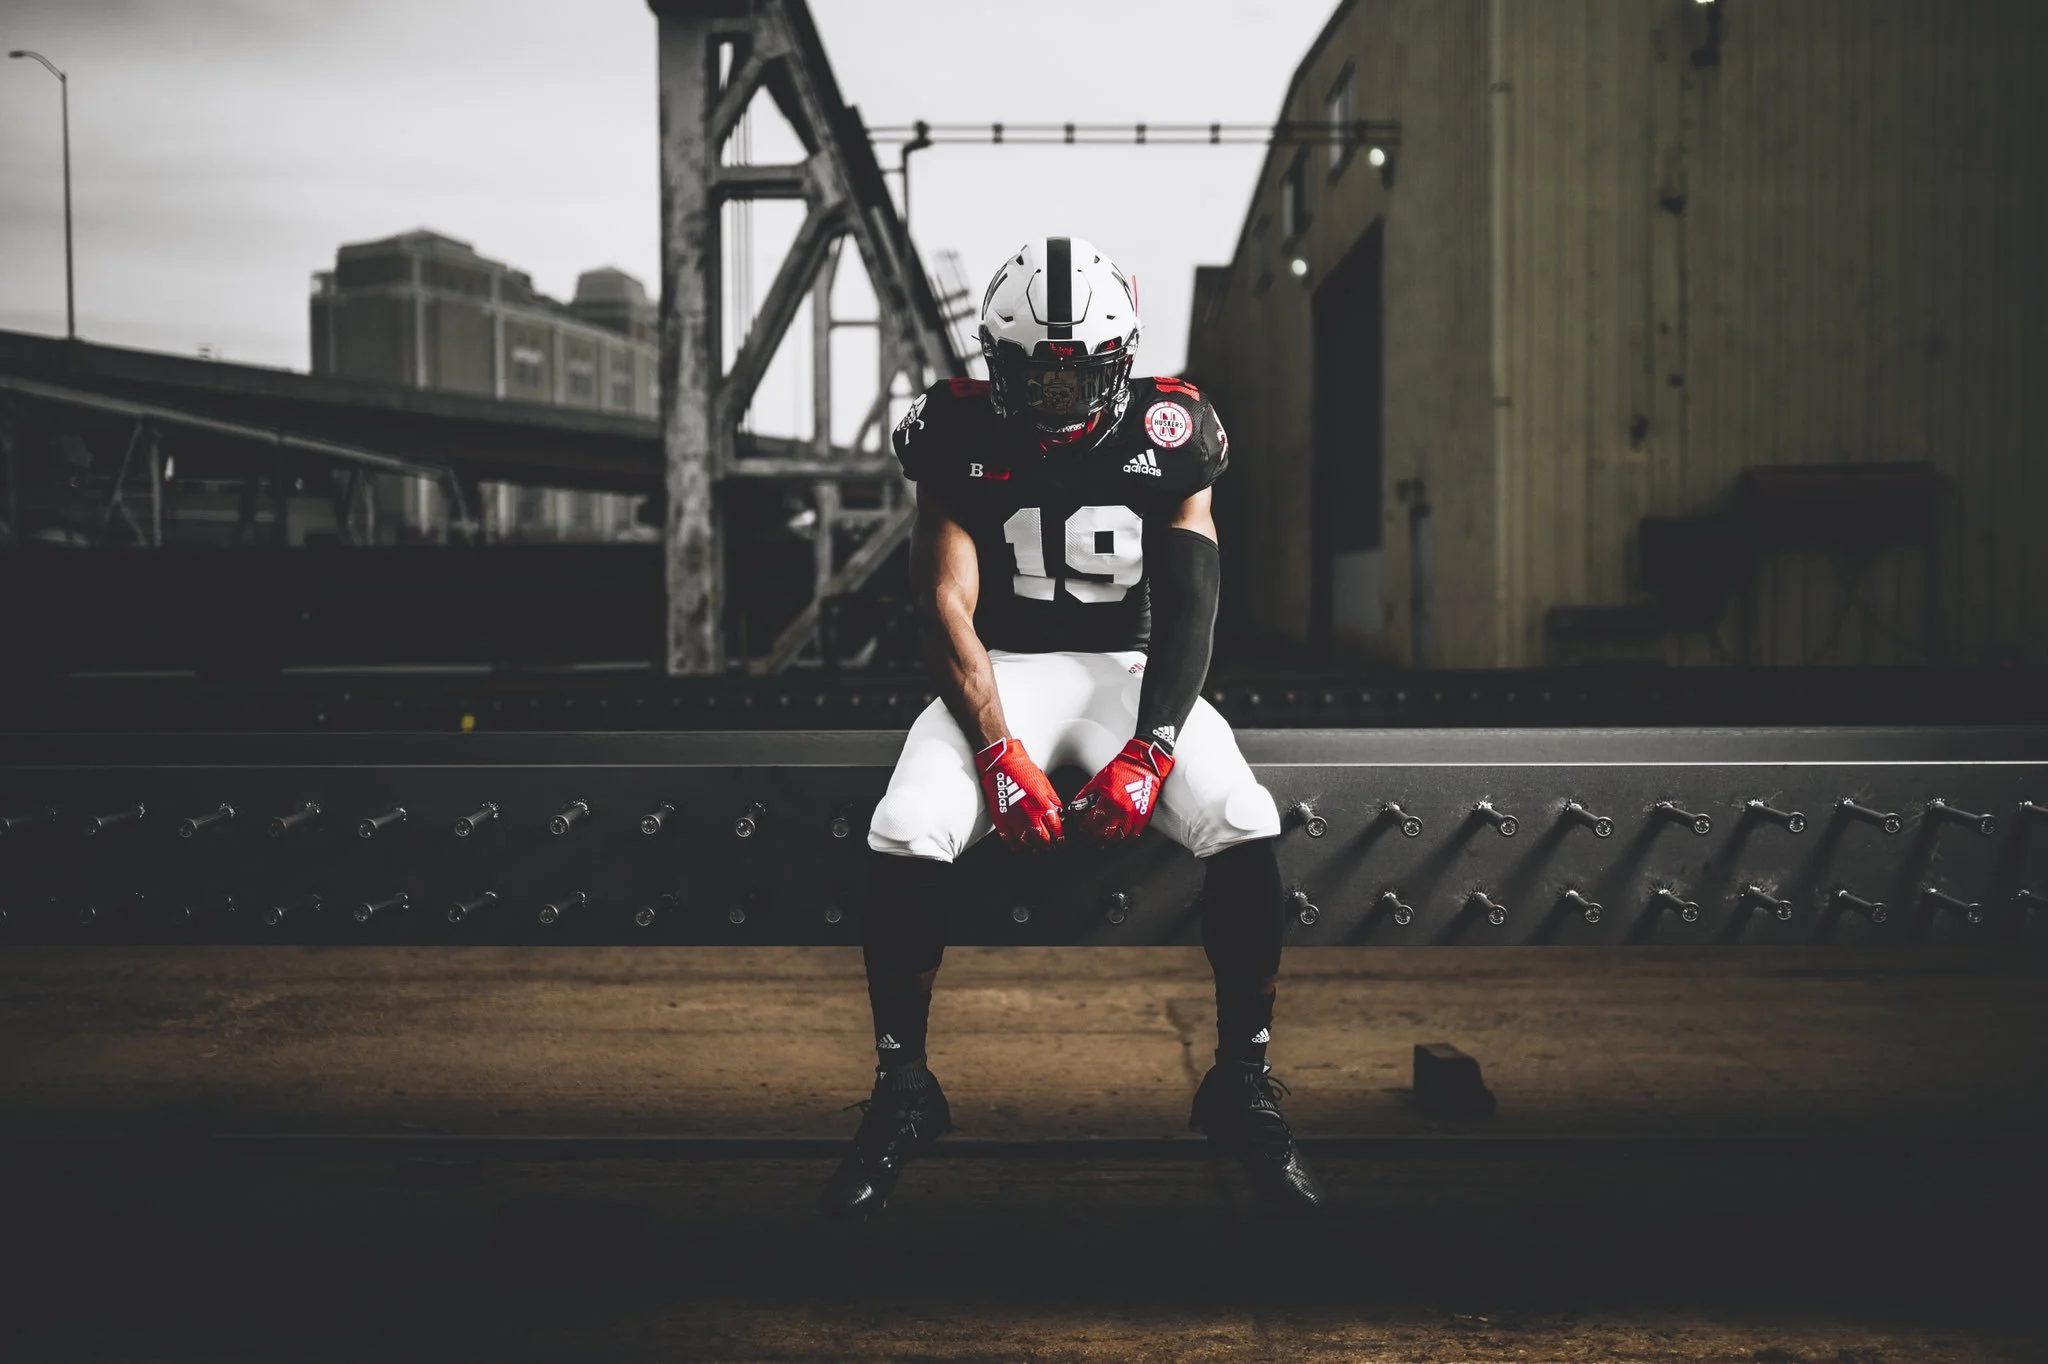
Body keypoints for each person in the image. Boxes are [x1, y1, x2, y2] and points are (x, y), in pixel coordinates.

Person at [820, 236, 1322, 1220]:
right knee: (905, 825)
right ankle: (903, 1086)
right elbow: (944, 603)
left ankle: (1240, 1079)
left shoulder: (1173, 428)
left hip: (1126, 668)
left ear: (1118, 356)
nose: (1055, 402)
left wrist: (1151, 746)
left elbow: (1189, 606)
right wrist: (996, 747)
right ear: (992, 363)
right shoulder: (954, 429)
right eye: (1031, 380)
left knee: (1242, 814)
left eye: (1075, 376)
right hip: (1001, 668)